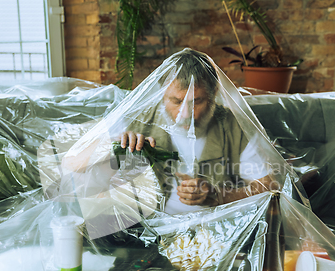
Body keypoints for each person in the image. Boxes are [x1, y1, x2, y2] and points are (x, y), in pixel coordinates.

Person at [62, 48, 276, 217]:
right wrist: (113, 144)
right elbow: (71, 164)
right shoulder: (137, 118)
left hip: (218, 234)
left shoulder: (233, 126)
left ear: (214, 94)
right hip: (147, 235)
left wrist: (217, 195)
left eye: (197, 101)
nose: (185, 114)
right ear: (162, 93)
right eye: (176, 101)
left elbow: (269, 187)